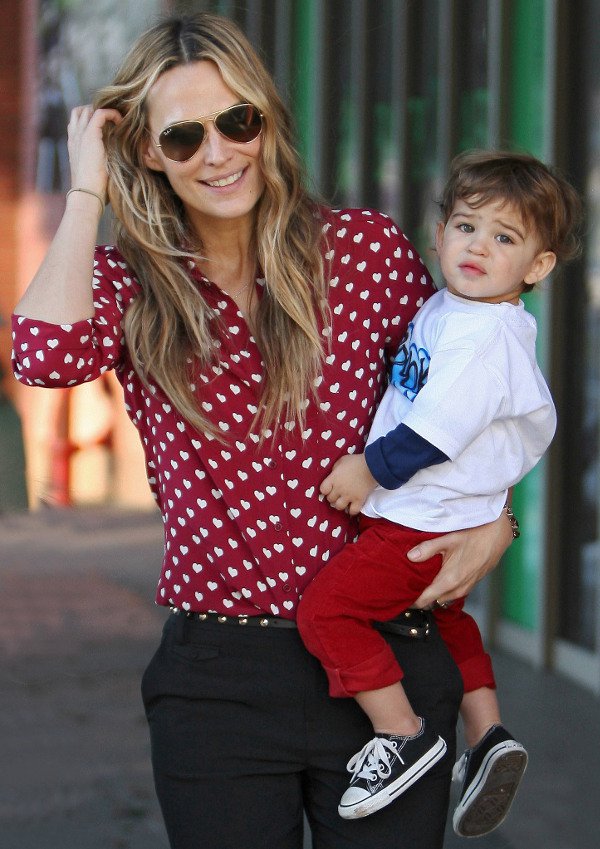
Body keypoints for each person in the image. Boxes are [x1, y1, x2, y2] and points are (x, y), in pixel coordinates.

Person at [11, 14, 514, 849]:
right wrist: (84, 189)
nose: (218, 153)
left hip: (384, 666)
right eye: (182, 136)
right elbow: (44, 352)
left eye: (236, 121)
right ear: (147, 151)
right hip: (220, 684)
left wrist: (499, 517)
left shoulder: (367, 253)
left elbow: (469, 401)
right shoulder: (132, 287)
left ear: (267, 119)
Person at [297, 150, 583, 836]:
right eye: (466, 226)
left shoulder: (485, 338)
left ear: (538, 267)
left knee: (326, 612)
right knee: (449, 620)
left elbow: (433, 433)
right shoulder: (454, 308)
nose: (479, 246)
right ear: (438, 236)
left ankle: (401, 735)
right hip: (447, 515)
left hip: (419, 519)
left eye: (505, 237)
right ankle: (487, 735)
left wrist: (366, 469)